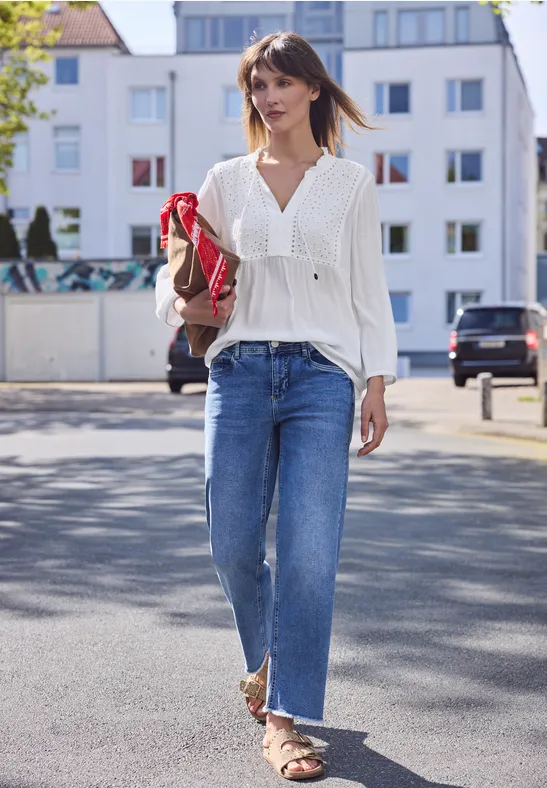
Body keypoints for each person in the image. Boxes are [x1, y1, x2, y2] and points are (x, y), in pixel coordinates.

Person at [155, 31, 397, 781]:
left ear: (312, 89)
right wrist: (178, 303)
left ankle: (285, 720)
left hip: (323, 376)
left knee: (308, 553)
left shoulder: (349, 182)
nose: (267, 97)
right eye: (257, 85)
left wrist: (377, 382)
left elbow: (368, 286)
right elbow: (177, 274)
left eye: (281, 82)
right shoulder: (226, 178)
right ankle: (266, 661)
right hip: (239, 371)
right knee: (230, 544)